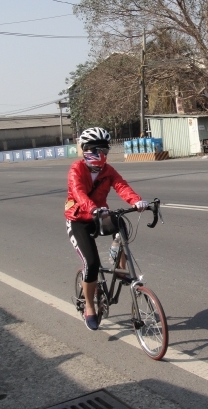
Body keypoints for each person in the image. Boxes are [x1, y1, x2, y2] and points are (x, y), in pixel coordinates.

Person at [65, 127, 147, 331]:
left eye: (105, 151)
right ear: (86, 150)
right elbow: (78, 192)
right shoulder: (77, 169)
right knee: (91, 264)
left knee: (121, 223)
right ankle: (90, 307)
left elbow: (122, 186)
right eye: (97, 150)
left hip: (99, 216)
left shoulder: (108, 171)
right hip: (78, 219)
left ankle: (119, 268)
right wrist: (92, 208)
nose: (102, 155)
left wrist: (137, 201)